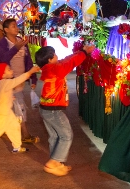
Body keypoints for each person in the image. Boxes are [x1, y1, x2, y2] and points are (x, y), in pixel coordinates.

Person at [35, 42, 95, 176]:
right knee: (66, 135)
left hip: (46, 109)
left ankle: (55, 162)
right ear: (50, 60)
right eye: (54, 55)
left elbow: (66, 60)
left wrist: (81, 51)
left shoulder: (49, 68)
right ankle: (53, 163)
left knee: (55, 136)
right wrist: (84, 53)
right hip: (53, 110)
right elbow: (70, 63)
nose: (58, 56)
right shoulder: (55, 69)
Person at [0, 62, 40, 156]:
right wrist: (30, 71)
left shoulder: (3, 83)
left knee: (14, 127)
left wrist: (10, 97)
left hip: (7, 112)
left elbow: (2, 94)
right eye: (9, 69)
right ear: (3, 74)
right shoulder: (5, 82)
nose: (12, 71)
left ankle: (17, 147)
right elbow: (18, 80)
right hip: (1, 113)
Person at [0, 18, 39, 143]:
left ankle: (3, 129)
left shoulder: (21, 41)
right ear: (6, 29)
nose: (16, 28)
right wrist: (15, 48)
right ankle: (25, 134)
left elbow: (28, 61)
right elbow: (3, 59)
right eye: (13, 26)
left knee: (11, 106)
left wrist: (33, 78)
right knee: (20, 107)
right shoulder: (3, 43)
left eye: (16, 25)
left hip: (21, 80)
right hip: (10, 81)